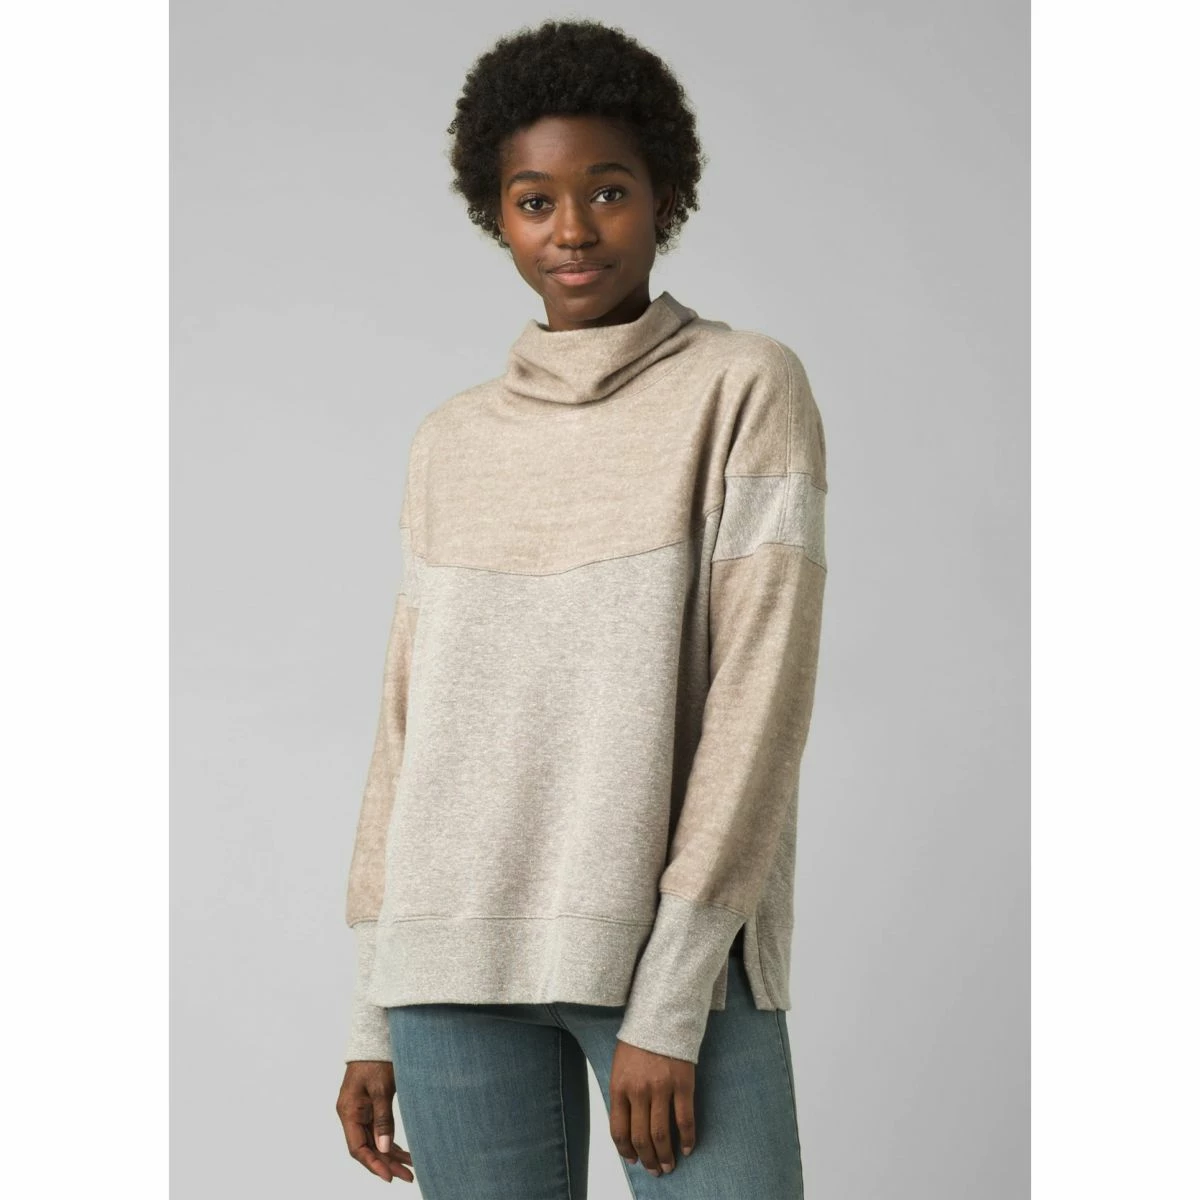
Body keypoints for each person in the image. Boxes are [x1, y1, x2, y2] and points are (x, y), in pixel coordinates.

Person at [334, 17, 828, 1199]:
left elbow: (760, 707)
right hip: (447, 961)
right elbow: (407, 721)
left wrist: (674, 995)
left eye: (607, 191)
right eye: (534, 201)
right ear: (495, 215)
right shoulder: (452, 440)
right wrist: (372, 1006)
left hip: (664, 959)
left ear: (666, 196)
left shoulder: (744, 387)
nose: (571, 229)